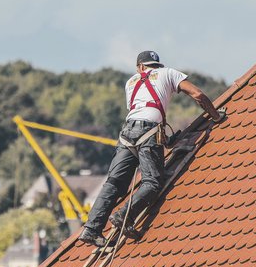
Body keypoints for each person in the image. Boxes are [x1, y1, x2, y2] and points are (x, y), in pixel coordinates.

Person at [78, 50, 224, 247]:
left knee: (114, 183)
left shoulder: (130, 82)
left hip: (127, 134)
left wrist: (164, 140)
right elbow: (197, 94)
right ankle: (124, 215)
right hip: (148, 132)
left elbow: (142, 110)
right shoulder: (168, 73)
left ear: (140, 67)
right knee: (153, 182)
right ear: (156, 65)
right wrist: (215, 116)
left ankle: (91, 229)